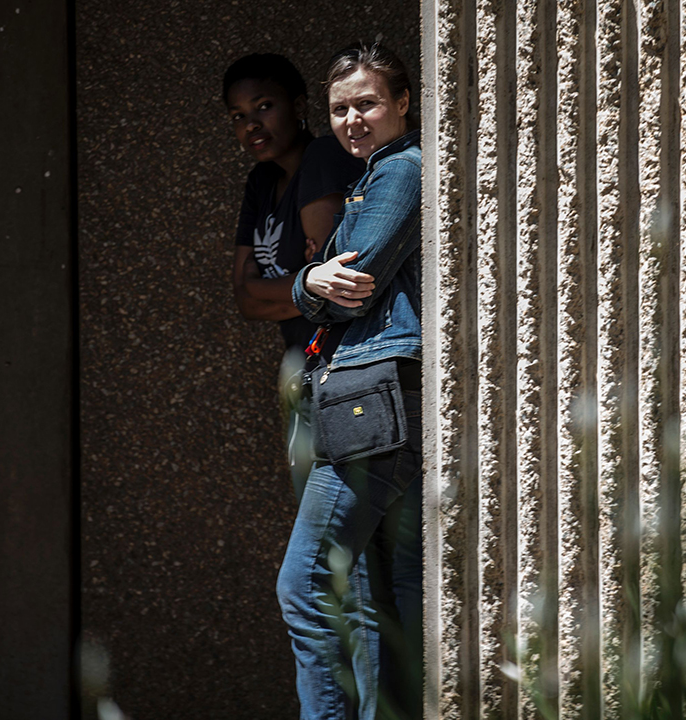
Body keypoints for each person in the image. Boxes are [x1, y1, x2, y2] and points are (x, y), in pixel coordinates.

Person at [276, 43, 423, 720]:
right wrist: (312, 278)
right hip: (374, 396)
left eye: (367, 103)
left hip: (374, 396)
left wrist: (310, 281)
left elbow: (352, 292)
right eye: (340, 109)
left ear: (402, 103)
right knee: (378, 599)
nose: (352, 119)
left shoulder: (400, 172)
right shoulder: (372, 176)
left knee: (305, 588)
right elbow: (325, 279)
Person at [224, 53, 365, 503]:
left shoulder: (322, 157)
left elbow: (331, 286)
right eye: (238, 116)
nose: (252, 124)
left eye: (264, 106)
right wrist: (299, 283)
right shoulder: (260, 183)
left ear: (300, 105)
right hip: (297, 373)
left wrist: (278, 285)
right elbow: (244, 300)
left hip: (337, 369)